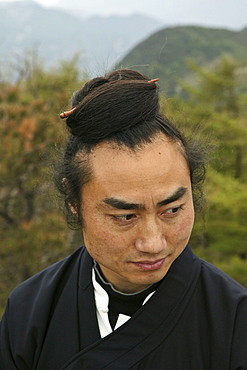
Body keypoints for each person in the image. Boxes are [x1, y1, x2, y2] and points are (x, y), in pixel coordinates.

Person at [0, 69, 246, 370]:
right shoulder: (30, 311)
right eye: (125, 216)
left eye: (172, 210)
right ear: (73, 201)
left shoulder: (234, 319)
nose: (153, 243)